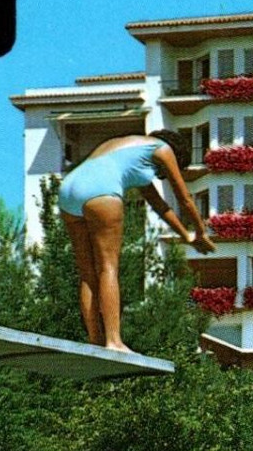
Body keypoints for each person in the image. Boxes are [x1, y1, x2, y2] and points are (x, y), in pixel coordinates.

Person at [57, 130, 215, 352]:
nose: (161, 175)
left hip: (68, 191)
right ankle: (114, 341)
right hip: (101, 190)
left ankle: (94, 341)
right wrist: (201, 230)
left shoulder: (128, 150)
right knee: (108, 268)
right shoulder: (162, 149)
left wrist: (185, 236)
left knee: (88, 273)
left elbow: (160, 205)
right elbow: (184, 199)